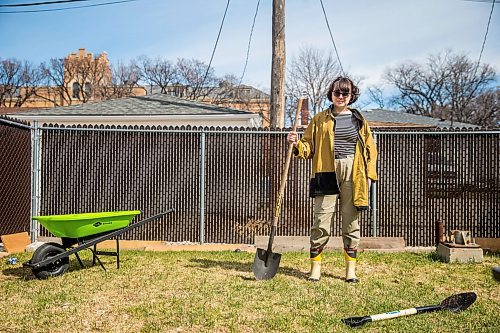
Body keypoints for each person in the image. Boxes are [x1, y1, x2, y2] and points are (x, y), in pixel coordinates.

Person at [287, 76, 378, 283]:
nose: (340, 96)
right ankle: (315, 269)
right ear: (331, 94)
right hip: (326, 171)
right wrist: (296, 144)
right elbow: (308, 148)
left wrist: (370, 175)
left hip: (353, 173)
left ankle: (350, 271)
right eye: (337, 92)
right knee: (321, 220)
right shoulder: (319, 119)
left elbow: (371, 150)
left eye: (345, 93)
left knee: (351, 221)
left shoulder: (359, 119)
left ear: (351, 95)